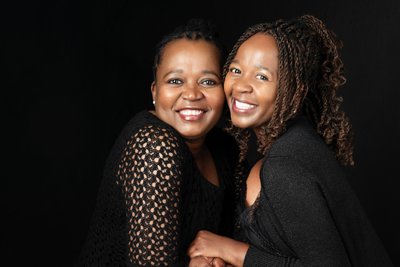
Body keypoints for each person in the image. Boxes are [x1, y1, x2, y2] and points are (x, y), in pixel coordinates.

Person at [188, 15, 393, 266]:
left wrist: (234, 251)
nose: (242, 85)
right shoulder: (296, 141)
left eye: (262, 77)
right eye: (236, 70)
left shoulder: (285, 165)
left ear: (295, 91)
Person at [77, 18, 237, 266]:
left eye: (208, 81)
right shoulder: (154, 146)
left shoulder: (225, 147)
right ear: (154, 92)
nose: (192, 94)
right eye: (175, 81)